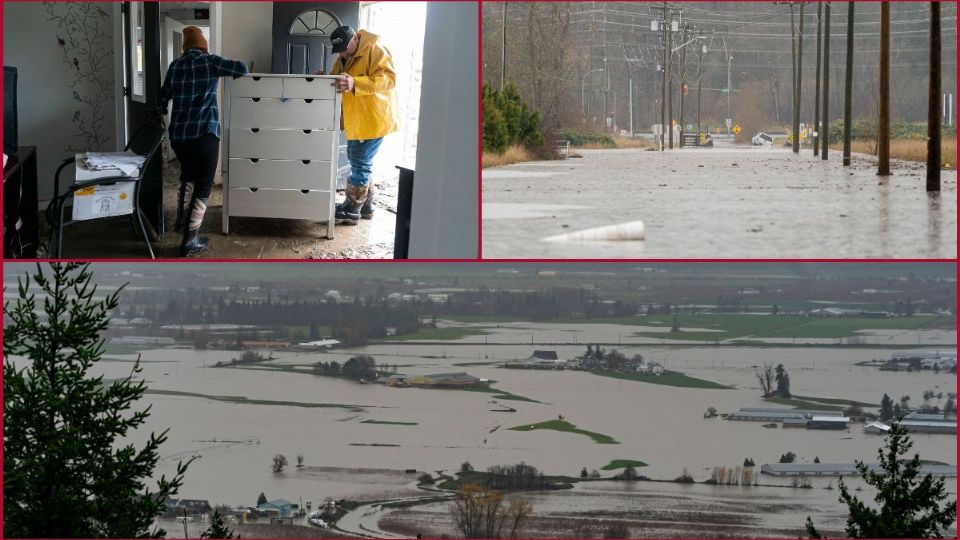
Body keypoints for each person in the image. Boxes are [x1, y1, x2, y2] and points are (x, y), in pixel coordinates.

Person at [160, 26, 248, 256]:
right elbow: (242, 69)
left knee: (187, 174)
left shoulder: (175, 66)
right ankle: (190, 240)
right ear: (203, 45)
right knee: (204, 186)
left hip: (179, 137)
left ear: (185, 46)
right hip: (205, 135)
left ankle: (181, 219)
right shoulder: (210, 62)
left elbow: (163, 98)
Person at [322, 25, 399, 225]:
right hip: (357, 118)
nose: (342, 53)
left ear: (355, 38)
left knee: (360, 160)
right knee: (359, 159)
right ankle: (366, 206)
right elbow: (338, 78)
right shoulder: (345, 56)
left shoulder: (375, 49)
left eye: (345, 48)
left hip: (372, 118)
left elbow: (388, 80)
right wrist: (325, 79)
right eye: (339, 51)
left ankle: (352, 208)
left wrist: (355, 83)